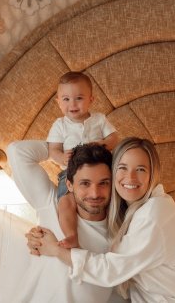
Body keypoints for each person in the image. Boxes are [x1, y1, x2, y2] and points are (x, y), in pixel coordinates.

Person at [32, 137, 175, 302]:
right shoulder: (131, 212)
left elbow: (110, 270)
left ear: (153, 174)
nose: (130, 177)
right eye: (123, 168)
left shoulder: (155, 215)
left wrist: (56, 250)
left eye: (141, 169)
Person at [6, 140, 127, 302]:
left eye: (103, 183)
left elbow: (118, 290)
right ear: (69, 185)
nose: (94, 193)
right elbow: (17, 151)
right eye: (85, 183)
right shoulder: (50, 205)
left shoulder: (122, 231)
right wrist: (55, 151)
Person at [47, 71, 118, 248]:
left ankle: (118, 231)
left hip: (103, 170)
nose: (72, 104)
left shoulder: (99, 120)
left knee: (115, 198)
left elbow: (114, 138)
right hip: (69, 172)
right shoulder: (60, 125)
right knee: (65, 202)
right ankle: (71, 235)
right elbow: (53, 150)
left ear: (91, 100)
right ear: (58, 101)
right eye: (66, 99)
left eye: (79, 98)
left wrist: (103, 143)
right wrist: (62, 157)